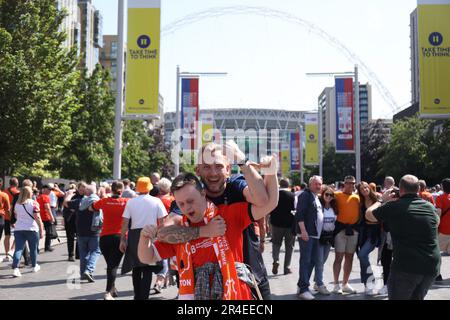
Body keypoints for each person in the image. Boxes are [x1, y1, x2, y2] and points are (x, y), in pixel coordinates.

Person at [138, 159, 278, 300]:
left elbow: (269, 203)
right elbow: (147, 257)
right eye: (181, 204)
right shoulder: (180, 230)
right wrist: (144, 238)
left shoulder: (226, 215)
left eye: (190, 201)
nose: (187, 207)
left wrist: (270, 173)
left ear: (203, 194)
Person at [365, 174, 441, 300]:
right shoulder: (429, 206)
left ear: (400, 190)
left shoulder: (393, 207)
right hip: (431, 266)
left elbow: (368, 215)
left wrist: (381, 200)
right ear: (418, 189)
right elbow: (436, 222)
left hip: (406, 267)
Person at [120, 177, 167, 300]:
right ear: (150, 187)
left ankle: (137, 295)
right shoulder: (156, 201)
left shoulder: (131, 202)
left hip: (134, 235)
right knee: (147, 267)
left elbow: (125, 222)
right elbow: (163, 221)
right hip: (151, 233)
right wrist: (161, 236)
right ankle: (144, 296)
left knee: (136, 266)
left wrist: (122, 239)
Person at [91, 181, 129, 300]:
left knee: (111, 265)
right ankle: (108, 292)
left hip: (104, 237)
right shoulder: (126, 202)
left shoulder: (104, 201)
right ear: (121, 191)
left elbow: (91, 208)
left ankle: (112, 288)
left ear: (111, 190)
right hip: (119, 237)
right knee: (113, 266)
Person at [295, 175, 324, 300]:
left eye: (320, 184)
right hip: (307, 234)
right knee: (306, 260)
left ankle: (303, 284)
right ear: (310, 184)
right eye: (316, 184)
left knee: (312, 261)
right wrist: (303, 231)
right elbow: (299, 214)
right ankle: (303, 289)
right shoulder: (305, 195)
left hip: (315, 235)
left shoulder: (315, 197)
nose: (318, 186)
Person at [66, 183, 101, 282]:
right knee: (95, 251)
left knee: (83, 253)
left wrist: (69, 194)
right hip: (95, 231)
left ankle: (83, 273)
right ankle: (88, 270)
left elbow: (66, 203)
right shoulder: (98, 201)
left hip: (81, 231)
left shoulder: (80, 201)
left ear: (86, 192)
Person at [332, 175, 360, 294]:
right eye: (348, 183)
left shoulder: (357, 197)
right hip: (340, 229)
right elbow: (324, 195)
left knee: (350, 257)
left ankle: (345, 283)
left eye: (353, 183)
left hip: (353, 230)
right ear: (344, 184)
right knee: (338, 257)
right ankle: (336, 284)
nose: (351, 185)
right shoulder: (336, 195)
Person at [11, 186, 44, 277]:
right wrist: (41, 229)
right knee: (33, 249)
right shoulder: (34, 203)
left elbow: (16, 216)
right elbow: (37, 217)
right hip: (31, 228)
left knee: (18, 249)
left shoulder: (17, 204)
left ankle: (15, 268)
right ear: (30, 193)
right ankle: (34, 266)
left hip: (19, 229)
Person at [356, 181, 382, 295]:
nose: (365, 190)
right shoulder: (360, 201)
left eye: (366, 187)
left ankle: (372, 281)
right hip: (363, 232)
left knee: (362, 255)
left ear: (369, 188)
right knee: (363, 257)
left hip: (375, 232)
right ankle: (367, 285)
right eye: (362, 189)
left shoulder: (378, 198)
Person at [312, 185, 337, 295]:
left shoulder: (334, 208)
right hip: (319, 237)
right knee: (319, 261)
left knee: (323, 260)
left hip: (329, 237)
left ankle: (317, 282)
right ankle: (320, 283)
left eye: (331, 195)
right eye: (327, 194)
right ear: (323, 195)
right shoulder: (319, 206)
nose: (329, 197)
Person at [269, 178, 295, 276]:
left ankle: (276, 259)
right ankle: (287, 267)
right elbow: (296, 209)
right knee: (289, 246)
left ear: (279, 184)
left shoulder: (275, 195)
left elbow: (270, 208)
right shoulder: (293, 196)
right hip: (290, 225)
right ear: (288, 185)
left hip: (276, 224)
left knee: (276, 243)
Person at [63, 182, 85, 261]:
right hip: (70, 218)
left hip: (80, 219)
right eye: (81, 188)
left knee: (80, 236)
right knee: (70, 237)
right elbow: (66, 205)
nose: (82, 190)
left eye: (84, 188)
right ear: (78, 188)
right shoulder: (71, 194)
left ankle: (78, 254)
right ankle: (70, 254)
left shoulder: (86, 196)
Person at [435, 178, 450, 282]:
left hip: (443, 230)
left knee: (436, 252)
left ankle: (437, 275)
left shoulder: (441, 197)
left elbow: (439, 212)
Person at [3, 177, 20, 262]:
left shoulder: (4, 192)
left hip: (5, 217)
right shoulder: (18, 193)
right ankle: (12, 251)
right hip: (15, 217)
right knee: (19, 235)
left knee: (7, 236)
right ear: (17, 184)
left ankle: (7, 255)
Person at [37, 184, 56, 252]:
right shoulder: (45, 196)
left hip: (39, 217)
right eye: (49, 189)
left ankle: (36, 248)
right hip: (46, 217)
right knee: (48, 233)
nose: (50, 191)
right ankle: (47, 247)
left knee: (38, 232)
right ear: (44, 189)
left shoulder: (38, 196)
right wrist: (52, 217)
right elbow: (47, 208)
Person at [0, 178, 11, 261]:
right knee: (4, 236)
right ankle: (7, 254)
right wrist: (11, 220)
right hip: (2, 218)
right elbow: (8, 209)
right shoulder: (4, 195)